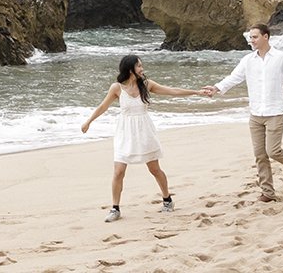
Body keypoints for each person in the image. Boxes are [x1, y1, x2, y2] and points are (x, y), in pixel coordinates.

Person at [81, 54, 205, 222]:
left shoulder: (147, 85)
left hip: (145, 132)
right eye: (139, 66)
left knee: (154, 169)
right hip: (125, 133)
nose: (142, 69)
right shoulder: (117, 88)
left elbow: (172, 91)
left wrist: (196, 92)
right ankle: (115, 208)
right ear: (130, 69)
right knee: (118, 171)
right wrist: (89, 121)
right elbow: (103, 106)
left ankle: (167, 200)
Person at [200, 22, 283, 202]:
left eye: (254, 37)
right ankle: (268, 193)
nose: (251, 40)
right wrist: (216, 88)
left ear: (265, 37)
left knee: (273, 151)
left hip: (275, 112)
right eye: (250, 37)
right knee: (260, 155)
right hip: (255, 114)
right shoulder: (248, 60)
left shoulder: (281, 57)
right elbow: (234, 78)